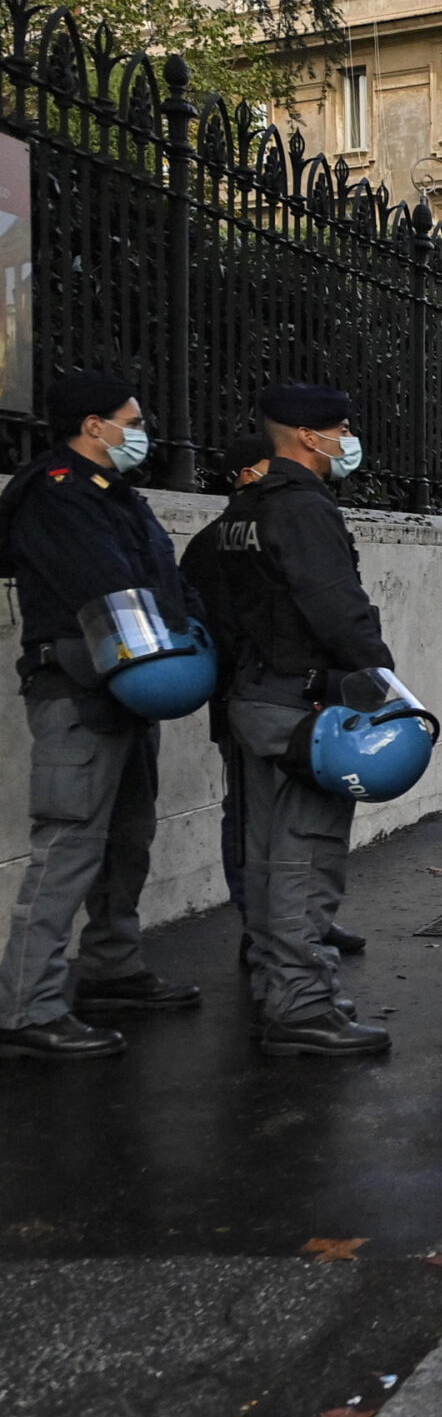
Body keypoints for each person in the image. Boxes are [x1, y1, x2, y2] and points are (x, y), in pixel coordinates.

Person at [0, 373, 203, 1059]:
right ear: (93, 425)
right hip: (79, 690)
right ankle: (27, 1008)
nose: (140, 430)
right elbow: (108, 587)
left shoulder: (112, 493)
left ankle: (113, 966)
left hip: (131, 683)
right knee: (67, 847)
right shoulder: (55, 492)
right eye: (132, 419)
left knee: (126, 838)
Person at [213, 384, 393, 1056]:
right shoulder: (302, 508)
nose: (347, 439)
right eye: (340, 429)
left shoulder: (244, 508)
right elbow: (336, 608)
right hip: (305, 705)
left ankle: (274, 987)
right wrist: (385, 683)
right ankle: (302, 1005)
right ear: (307, 436)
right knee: (304, 859)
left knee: (263, 856)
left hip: (256, 695)